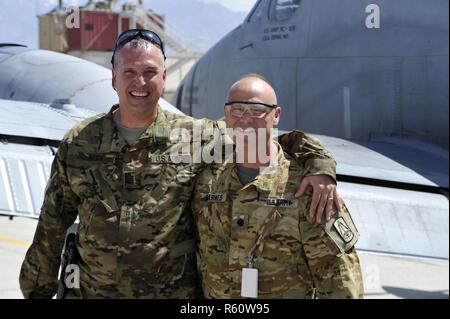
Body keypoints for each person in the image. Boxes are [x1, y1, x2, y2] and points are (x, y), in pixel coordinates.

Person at [19, 29, 339, 299]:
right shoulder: (80, 141)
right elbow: (52, 222)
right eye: (129, 72)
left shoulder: (194, 137)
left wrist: (320, 165)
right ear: (114, 76)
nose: (139, 83)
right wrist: (37, 289)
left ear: (164, 77)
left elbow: (263, 137)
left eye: (149, 72)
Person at [192, 75, 364, 299]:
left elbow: (340, 283)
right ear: (225, 115)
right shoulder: (207, 180)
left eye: (257, 110)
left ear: (276, 115)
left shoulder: (308, 189)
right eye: (237, 109)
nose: (245, 119)